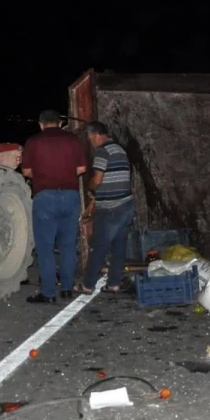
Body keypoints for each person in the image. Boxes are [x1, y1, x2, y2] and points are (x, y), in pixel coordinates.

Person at [20, 109, 87, 303]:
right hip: (71, 196)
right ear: (60, 123)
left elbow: (26, 171)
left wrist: (41, 176)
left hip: (45, 197)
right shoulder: (73, 140)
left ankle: (48, 293)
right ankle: (67, 288)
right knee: (67, 245)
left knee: (45, 247)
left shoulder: (33, 141)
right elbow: (82, 168)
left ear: (41, 124)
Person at [73, 121, 135, 294]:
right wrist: (93, 203)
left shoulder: (102, 151)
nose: (90, 141)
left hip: (111, 209)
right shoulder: (119, 149)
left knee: (98, 246)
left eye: (90, 137)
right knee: (119, 246)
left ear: (95, 135)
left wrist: (89, 187)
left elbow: (98, 179)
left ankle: (87, 285)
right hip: (126, 206)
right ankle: (114, 283)